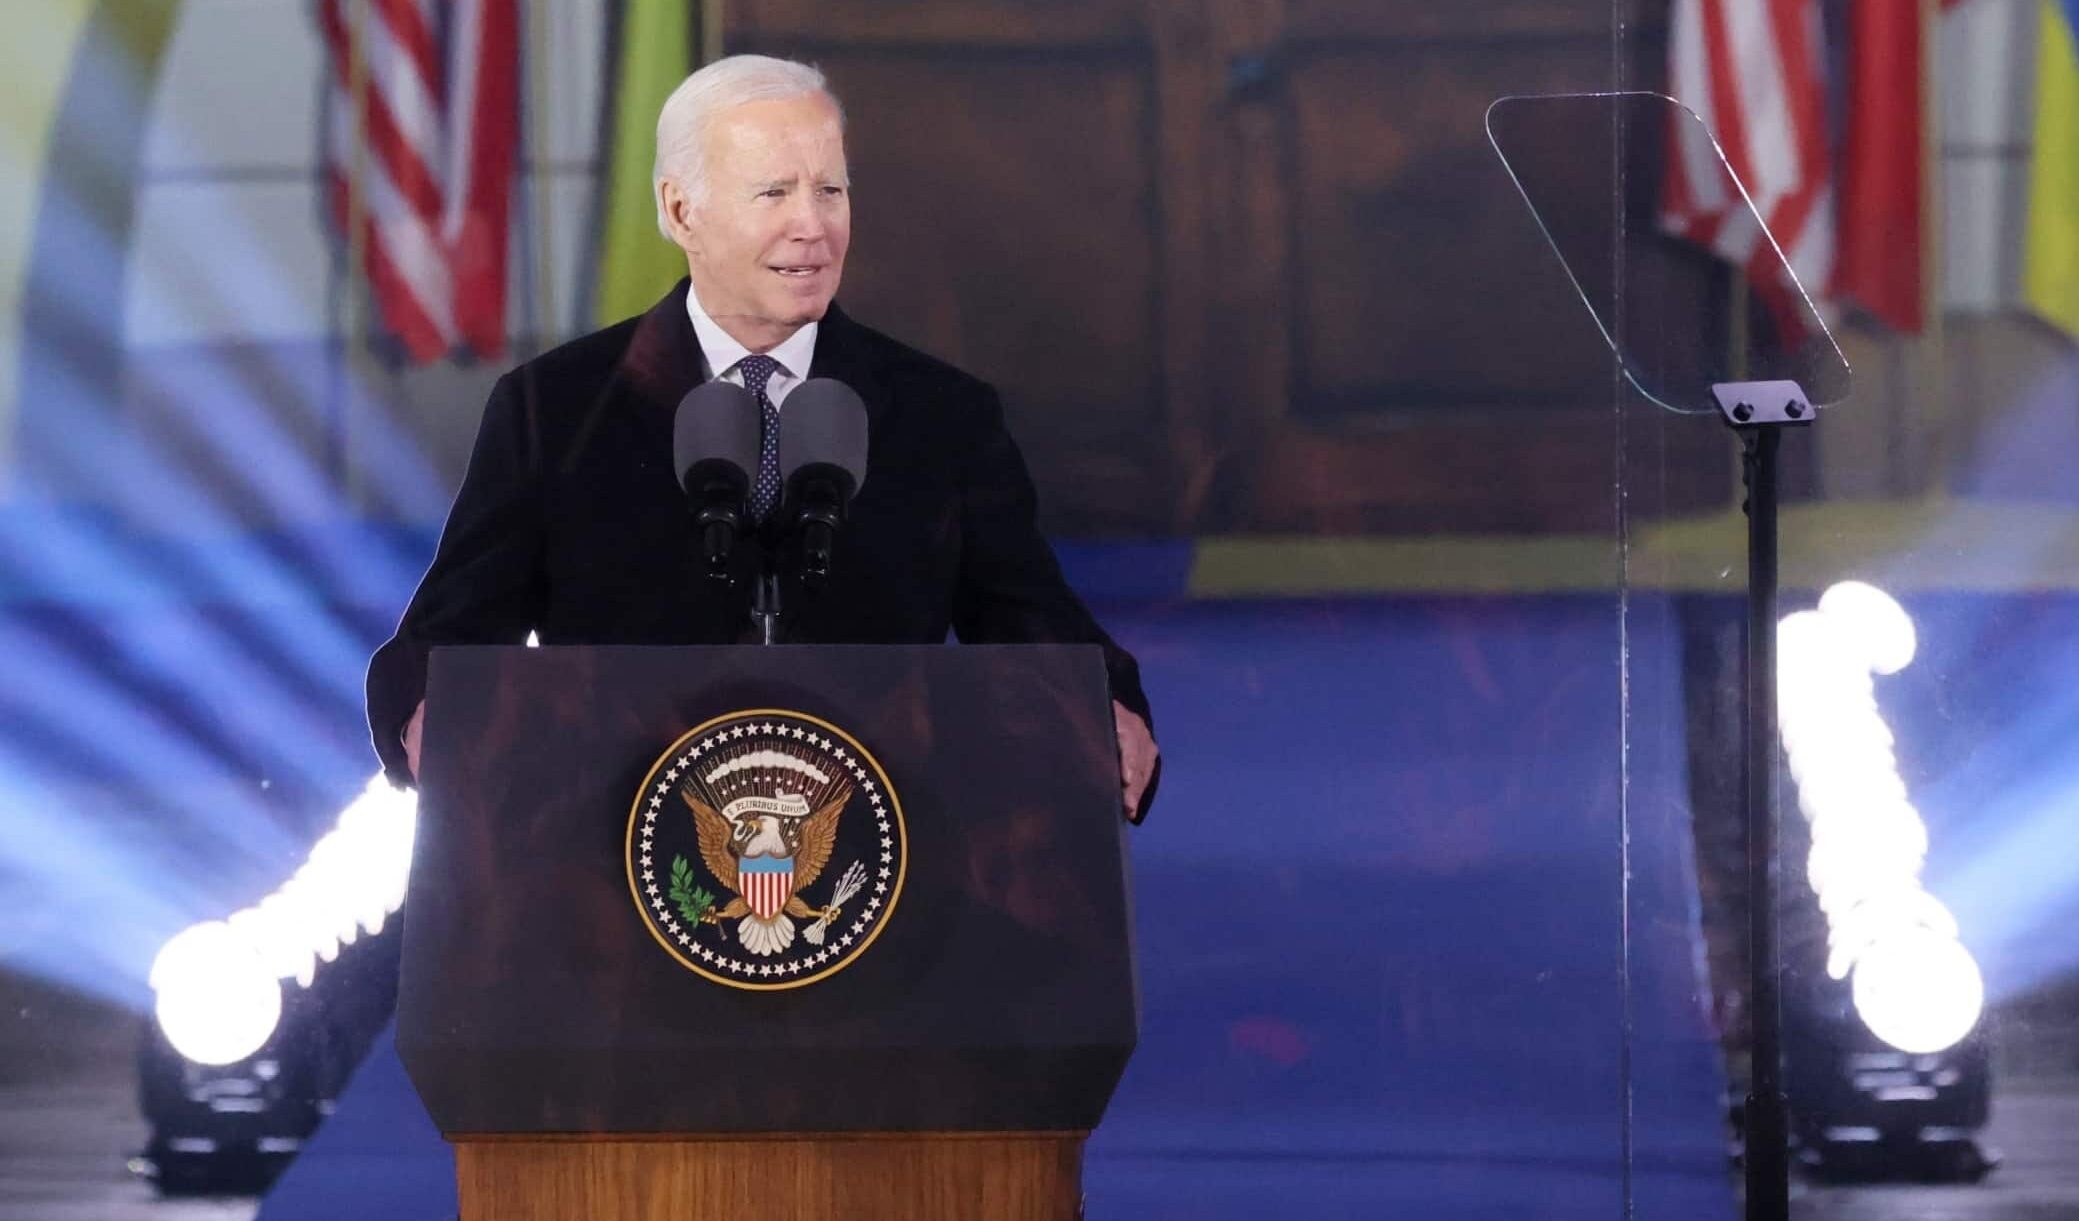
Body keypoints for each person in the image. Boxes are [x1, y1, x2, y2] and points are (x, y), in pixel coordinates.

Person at [364, 54, 1160, 819]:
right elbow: (454, 634)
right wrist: (426, 711)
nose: (811, 226)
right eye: (773, 192)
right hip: (610, 866)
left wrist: (1106, 700)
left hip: (880, 860)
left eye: (831, 189)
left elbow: (1029, 621)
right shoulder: (555, 409)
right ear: (681, 212)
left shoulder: (942, 416)